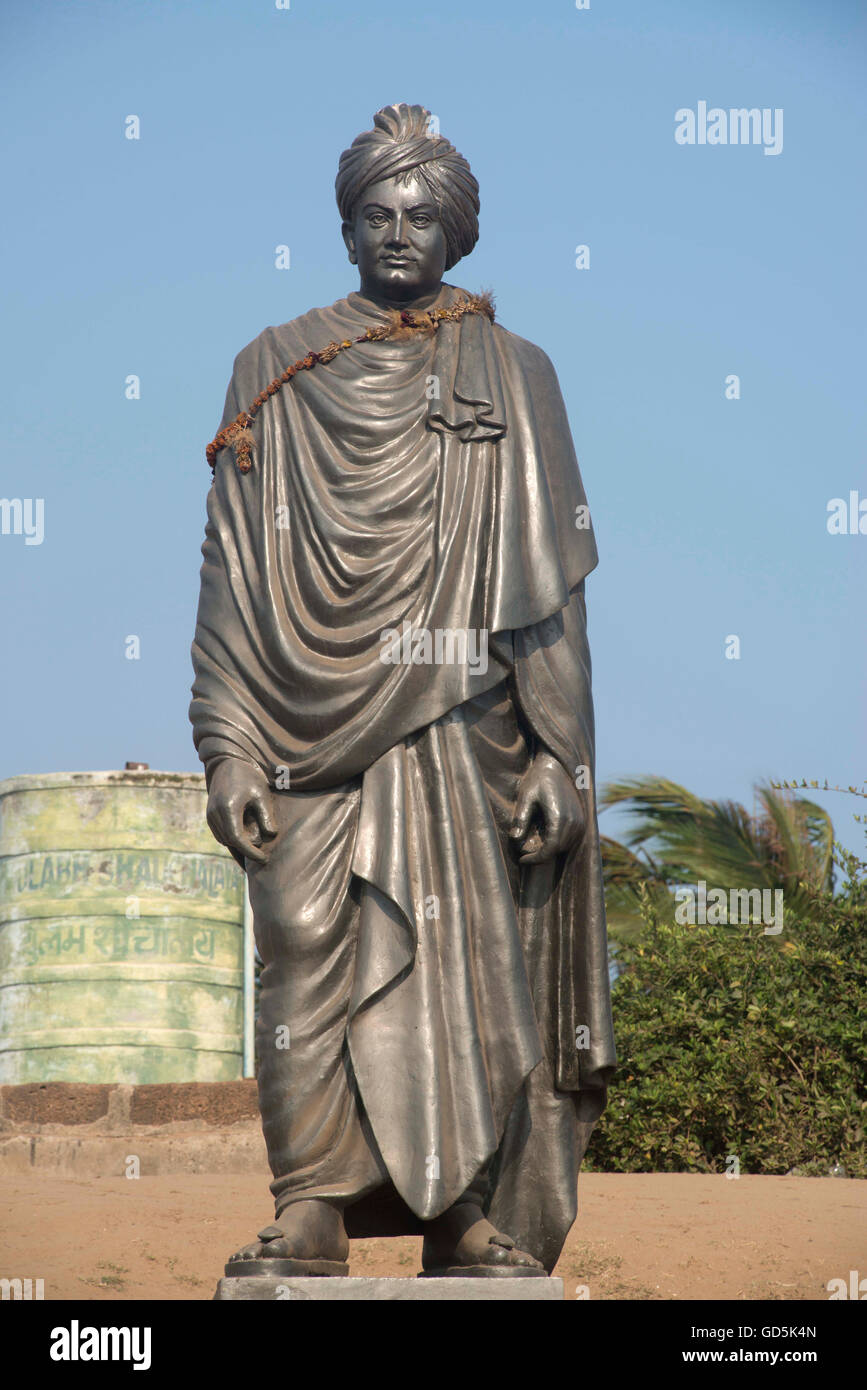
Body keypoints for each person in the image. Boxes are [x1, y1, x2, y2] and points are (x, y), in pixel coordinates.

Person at [190, 103, 615, 1279]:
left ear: (458, 233)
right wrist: (227, 743)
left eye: (421, 215)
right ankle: (311, 1198)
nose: (397, 232)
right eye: (375, 213)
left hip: (461, 720)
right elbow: (230, 564)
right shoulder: (272, 369)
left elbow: (551, 591)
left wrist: (556, 756)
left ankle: (460, 1211)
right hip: (295, 721)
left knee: (463, 957)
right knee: (302, 937)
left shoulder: (518, 376)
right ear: (344, 225)